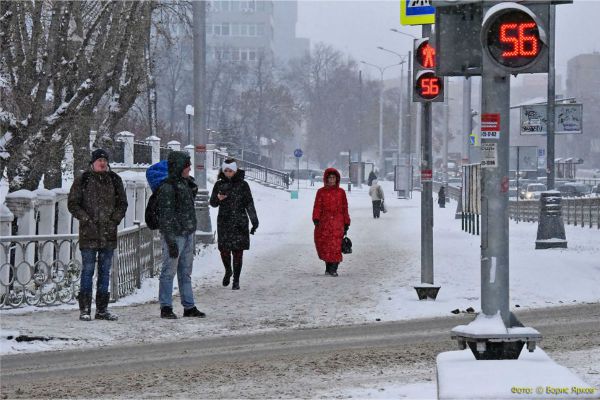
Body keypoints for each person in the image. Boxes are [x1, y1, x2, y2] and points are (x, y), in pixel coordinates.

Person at [68, 149, 127, 321]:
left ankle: (102, 309)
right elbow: (73, 203)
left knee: (104, 272)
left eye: (104, 160)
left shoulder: (114, 180)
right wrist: (86, 219)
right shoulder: (84, 180)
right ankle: (84, 309)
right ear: (93, 163)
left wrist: (114, 220)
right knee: (87, 271)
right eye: (99, 160)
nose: (102, 163)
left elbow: (122, 203)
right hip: (89, 234)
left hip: (108, 234)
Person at [156, 151, 206, 319]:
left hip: (187, 233)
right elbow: (166, 215)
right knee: (168, 271)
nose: (190, 168)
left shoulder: (185, 184)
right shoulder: (167, 187)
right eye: (187, 165)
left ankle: (189, 306)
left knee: (185, 272)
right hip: (175, 235)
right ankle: (166, 306)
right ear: (179, 167)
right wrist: (170, 240)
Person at [210, 159, 259, 290]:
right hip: (224, 222)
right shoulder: (219, 185)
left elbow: (249, 204)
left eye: (230, 170)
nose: (228, 173)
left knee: (238, 252)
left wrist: (255, 221)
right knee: (224, 250)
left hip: (239, 222)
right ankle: (228, 270)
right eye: (225, 170)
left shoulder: (243, 185)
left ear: (235, 170)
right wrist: (218, 199)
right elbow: (212, 203)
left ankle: (236, 280)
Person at [312, 168, 351, 277]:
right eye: (329, 178)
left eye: (333, 178)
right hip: (324, 223)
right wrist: (316, 218)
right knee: (325, 246)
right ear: (326, 179)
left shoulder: (341, 192)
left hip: (338, 223)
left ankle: (333, 269)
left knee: (336, 246)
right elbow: (317, 206)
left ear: (337, 179)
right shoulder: (321, 192)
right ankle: (328, 268)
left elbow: (345, 208)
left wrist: (346, 222)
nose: (331, 180)